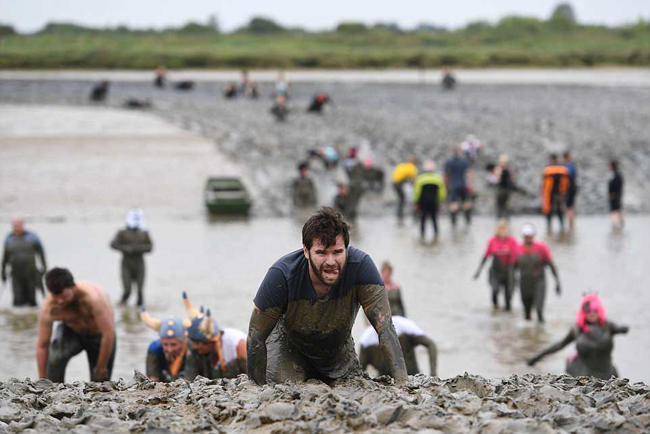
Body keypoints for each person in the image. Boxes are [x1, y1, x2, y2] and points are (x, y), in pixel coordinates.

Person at [247, 207, 407, 385]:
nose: (331, 262)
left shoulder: (361, 267)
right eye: (321, 253)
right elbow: (256, 336)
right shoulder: (282, 275)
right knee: (288, 391)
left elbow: (385, 328)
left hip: (338, 353)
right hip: (288, 350)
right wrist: (257, 390)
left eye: (337, 252)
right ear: (306, 251)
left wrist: (402, 383)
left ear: (346, 249)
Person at [36, 268, 116, 382]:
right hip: (72, 332)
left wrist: (101, 368)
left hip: (100, 336)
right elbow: (42, 345)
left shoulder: (94, 299)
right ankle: (53, 391)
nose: (60, 301)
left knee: (100, 383)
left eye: (64, 296)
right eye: (56, 297)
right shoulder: (48, 308)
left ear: (74, 287)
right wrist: (42, 379)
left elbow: (108, 334)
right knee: (55, 358)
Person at [527, 294, 629, 380]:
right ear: (583, 312)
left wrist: (623, 329)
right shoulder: (577, 330)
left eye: (594, 310)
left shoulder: (608, 327)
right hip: (582, 373)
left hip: (607, 373)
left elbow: (623, 329)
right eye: (588, 311)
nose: (592, 313)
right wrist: (537, 357)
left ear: (599, 311)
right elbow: (559, 345)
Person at [182, 293, 247, 380]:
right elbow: (189, 378)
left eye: (197, 345)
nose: (194, 347)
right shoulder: (195, 349)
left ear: (208, 342)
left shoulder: (237, 345)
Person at [359, 315, 437, 376]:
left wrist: (433, 374)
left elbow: (431, 345)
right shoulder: (366, 340)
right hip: (387, 387)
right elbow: (359, 372)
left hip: (412, 380)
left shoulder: (402, 325)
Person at [513, 224, 561, 323]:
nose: (528, 238)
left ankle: (541, 333)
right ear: (523, 236)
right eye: (526, 236)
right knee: (527, 314)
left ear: (533, 236)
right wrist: (512, 283)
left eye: (530, 236)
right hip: (524, 283)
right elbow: (513, 268)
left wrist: (557, 282)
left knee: (539, 310)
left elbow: (551, 265)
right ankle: (529, 336)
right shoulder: (518, 249)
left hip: (539, 282)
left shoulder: (541, 248)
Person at [110, 208, 153, 307]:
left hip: (139, 263)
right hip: (126, 263)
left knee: (140, 292)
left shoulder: (144, 233)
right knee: (127, 290)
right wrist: (126, 249)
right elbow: (113, 244)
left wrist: (139, 249)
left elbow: (150, 247)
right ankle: (121, 306)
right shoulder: (122, 232)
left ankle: (139, 314)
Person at [473, 220, 519, 310]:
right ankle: (495, 309)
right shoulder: (492, 241)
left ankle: (507, 317)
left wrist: (518, 272)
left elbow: (517, 258)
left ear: (507, 230)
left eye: (504, 229)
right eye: (500, 229)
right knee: (495, 290)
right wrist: (478, 271)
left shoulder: (512, 241)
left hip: (508, 270)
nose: (502, 231)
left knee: (508, 295)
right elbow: (486, 256)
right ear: (497, 230)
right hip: (495, 270)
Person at [2, 217, 47, 306]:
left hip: (31, 272)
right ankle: (16, 317)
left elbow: (41, 253)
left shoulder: (32, 237)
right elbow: (5, 258)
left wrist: (44, 267)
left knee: (31, 298)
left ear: (23, 225)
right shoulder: (9, 238)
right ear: (12, 226)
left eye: (19, 225)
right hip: (16, 273)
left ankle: (32, 315)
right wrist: (2, 272)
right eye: (15, 225)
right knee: (17, 299)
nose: (17, 227)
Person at [140, 309, 187, 382]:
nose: (169, 349)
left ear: (183, 342)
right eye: (165, 344)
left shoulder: (192, 350)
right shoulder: (155, 349)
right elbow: (152, 379)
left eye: (174, 344)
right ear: (161, 342)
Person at [413, 160, 446, 239]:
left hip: (423, 202)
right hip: (434, 202)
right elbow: (442, 192)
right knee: (434, 219)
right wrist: (441, 201)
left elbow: (417, 192)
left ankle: (422, 235)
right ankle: (436, 234)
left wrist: (416, 202)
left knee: (423, 219)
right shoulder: (438, 178)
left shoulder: (420, 178)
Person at [444, 146, 474, 227]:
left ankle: (454, 222)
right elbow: (469, 174)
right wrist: (470, 185)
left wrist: (445, 186)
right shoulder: (464, 162)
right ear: (460, 153)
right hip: (463, 184)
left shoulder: (449, 162)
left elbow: (446, 176)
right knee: (466, 203)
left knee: (453, 204)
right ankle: (468, 221)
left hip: (453, 185)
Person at [542, 154, 570, 233]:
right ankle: (562, 228)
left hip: (550, 194)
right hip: (560, 194)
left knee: (550, 211)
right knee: (559, 211)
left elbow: (544, 183)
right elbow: (567, 183)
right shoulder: (563, 169)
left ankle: (549, 228)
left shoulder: (547, 169)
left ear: (551, 159)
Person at [391, 157, 418, 221]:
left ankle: (399, 214)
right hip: (398, 184)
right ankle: (400, 215)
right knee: (402, 199)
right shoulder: (412, 167)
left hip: (394, 183)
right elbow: (413, 179)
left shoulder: (402, 166)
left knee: (401, 199)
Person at [563, 152, 578, 229]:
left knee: (569, 205)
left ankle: (570, 223)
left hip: (569, 188)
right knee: (570, 205)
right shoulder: (571, 166)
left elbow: (569, 176)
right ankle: (571, 223)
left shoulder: (567, 167)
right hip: (571, 187)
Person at [608, 160, 624, 230]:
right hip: (616, 194)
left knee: (614, 210)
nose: (608, 167)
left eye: (610, 166)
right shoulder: (615, 174)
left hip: (615, 194)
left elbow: (617, 185)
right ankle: (619, 224)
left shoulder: (615, 175)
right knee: (617, 209)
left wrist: (613, 193)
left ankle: (615, 225)